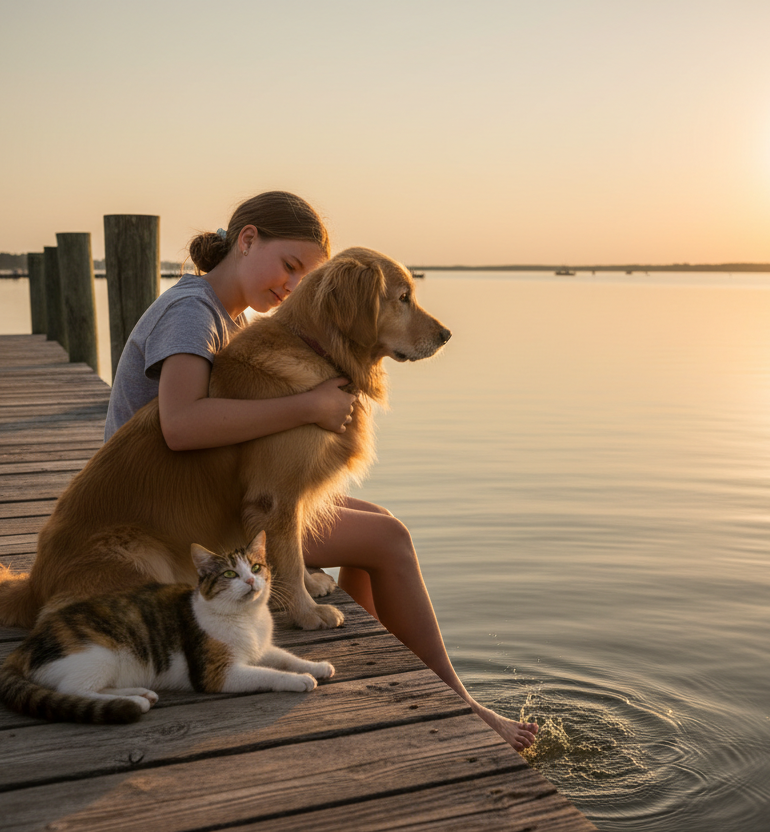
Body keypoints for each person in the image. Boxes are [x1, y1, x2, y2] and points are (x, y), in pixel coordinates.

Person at [104, 191, 538, 751]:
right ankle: (458, 701)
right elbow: (181, 427)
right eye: (289, 267)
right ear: (247, 238)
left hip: (201, 503)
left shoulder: (226, 315)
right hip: (171, 517)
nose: (291, 288)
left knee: (377, 522)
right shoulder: (194, 312)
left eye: (304, 278)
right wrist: (306, 407)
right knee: (389, 539)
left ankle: (391, 669)